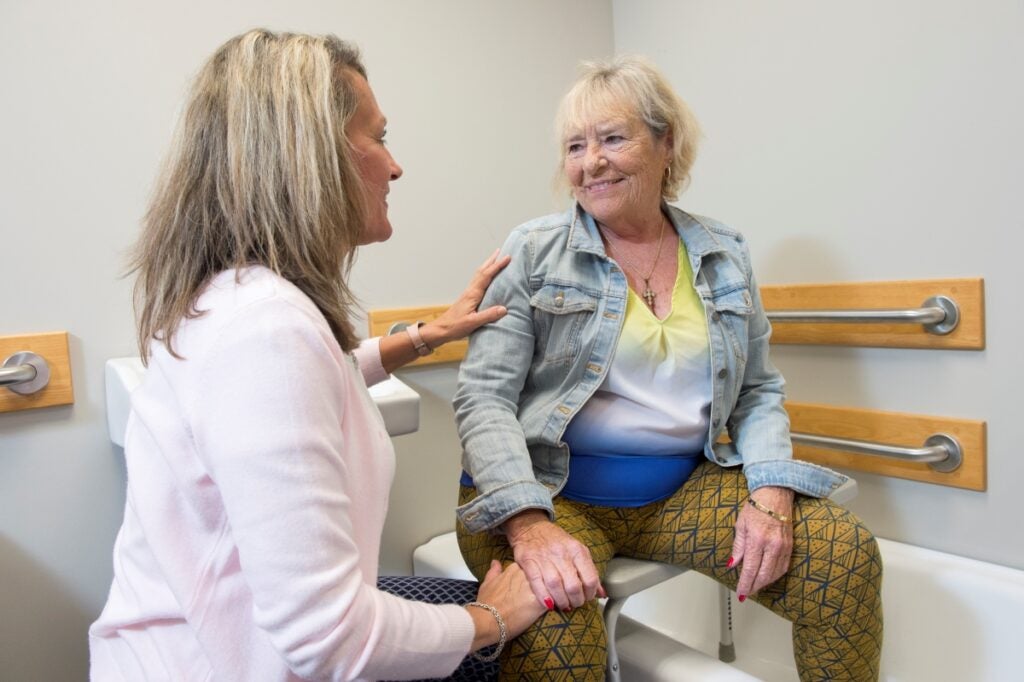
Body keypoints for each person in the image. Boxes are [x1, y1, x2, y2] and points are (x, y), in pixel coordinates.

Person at [88, 29, 547, 682]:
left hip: (225, 640)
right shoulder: (266, 331)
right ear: (313, 155)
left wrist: (422, 337)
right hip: (232, 662)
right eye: (379, 137)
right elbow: (329, 638)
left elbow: (303, 388)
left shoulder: (238, 303)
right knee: (528, 626)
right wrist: (491, 621)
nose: (395, 166)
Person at [453, 55, 883, 681]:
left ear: (666, 143)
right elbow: (483, 400)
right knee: (553, 628)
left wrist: (769, 494)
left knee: (844, 557)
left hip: (678, 493)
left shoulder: (724, 253)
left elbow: (758, 390)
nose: (590, 161)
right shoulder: (532, 251)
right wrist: (526, 526)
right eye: (575, 146)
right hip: (547, 494)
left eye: (612, 138)